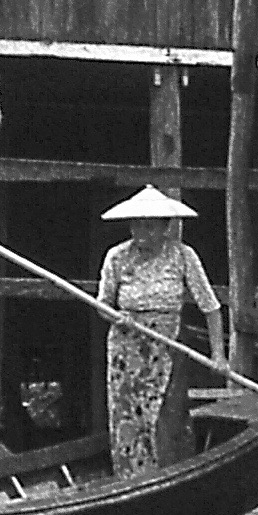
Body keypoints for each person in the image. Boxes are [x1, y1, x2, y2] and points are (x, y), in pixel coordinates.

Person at [95, 185, 226, 477]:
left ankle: (171, 474)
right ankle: (132, 479)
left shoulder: (182, 255)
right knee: (129, 420)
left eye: (150, 226)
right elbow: (102, 305)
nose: (141, 232)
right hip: (126, 349)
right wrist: (117, 317)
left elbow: (211, 308)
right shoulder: (117, 257)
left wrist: (218, 355)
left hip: (166, 347)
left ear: (165, 228)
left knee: (166, 416)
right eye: (137, 225)